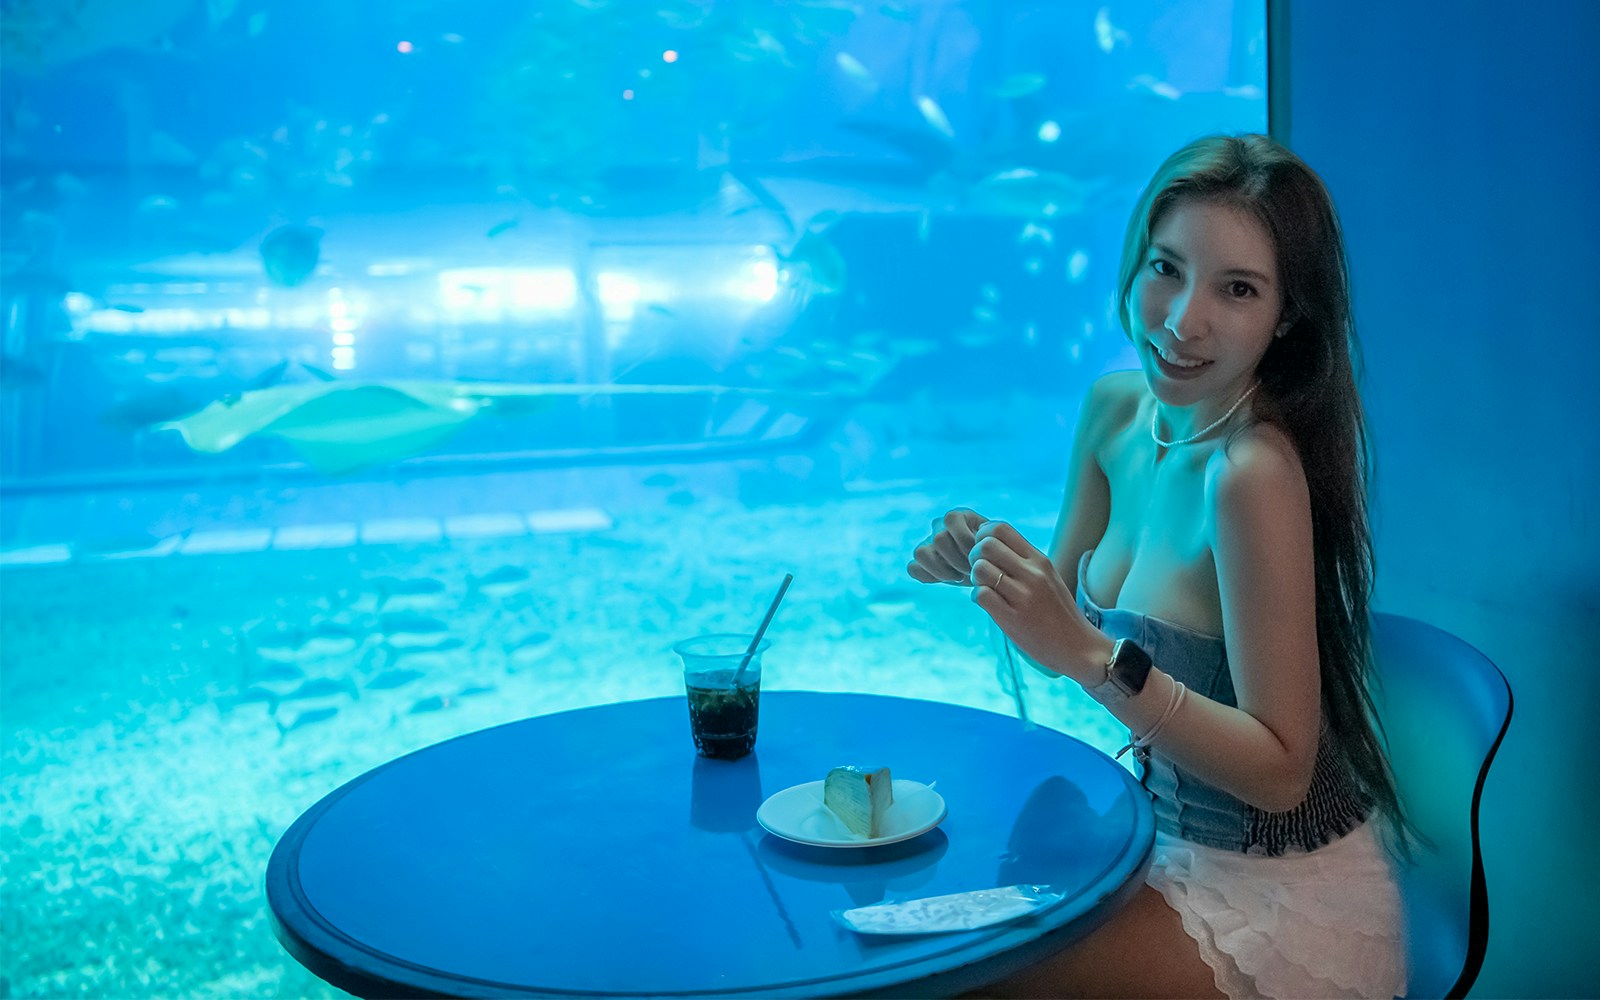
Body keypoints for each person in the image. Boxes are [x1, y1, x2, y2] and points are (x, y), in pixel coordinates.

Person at [908, 133, 1409, 1000]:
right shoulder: (1112, 412)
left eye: (1238, 289)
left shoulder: (1250, 476)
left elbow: (1283, 773)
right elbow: (1059, 632)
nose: (1182, 321)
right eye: (1165, 268)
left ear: (1288, 315)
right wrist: (997, 572)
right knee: (924, 944)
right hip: (1147, 841)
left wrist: (1097, 657)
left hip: (1273, 895)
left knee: (963, 984)